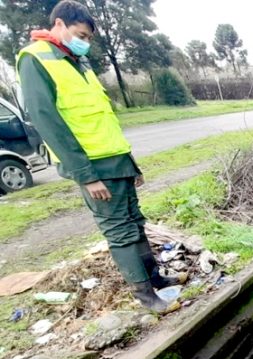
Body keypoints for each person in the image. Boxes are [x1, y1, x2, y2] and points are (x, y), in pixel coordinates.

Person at [16, 1, 185, 313]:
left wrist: (130, 163)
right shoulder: (36, 59)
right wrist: (86, 175)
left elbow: (103, 119)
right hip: (94, 168)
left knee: (135, 223)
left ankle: (155, 279)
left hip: (116, 161)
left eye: (90, 38)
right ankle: (145, 296)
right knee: (120, 231)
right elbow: (48, 122)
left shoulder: (77, 63)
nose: (85, 42)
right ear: (60, 25)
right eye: (81, 34)